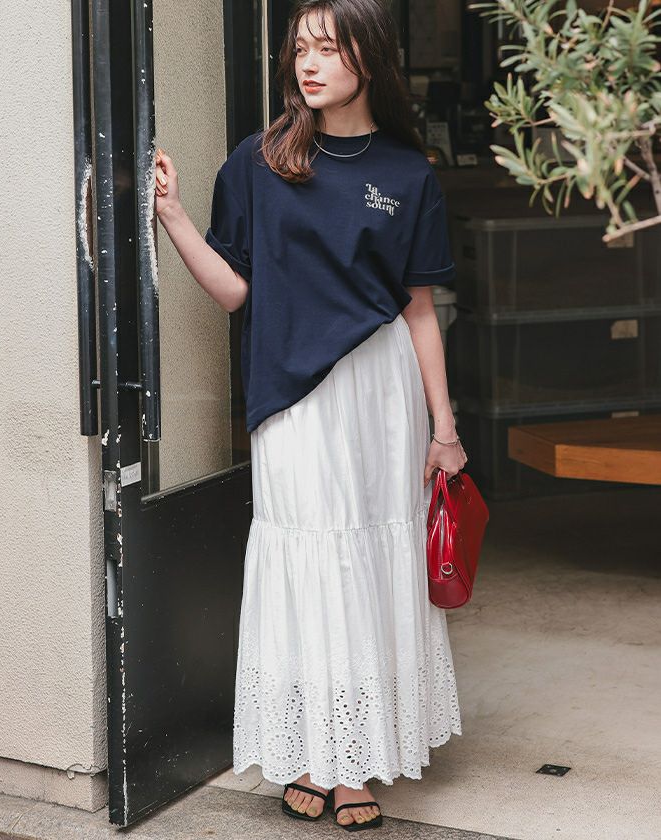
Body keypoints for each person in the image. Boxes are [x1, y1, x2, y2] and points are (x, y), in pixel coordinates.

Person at [154, 0, 467, 830]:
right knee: (305, 550)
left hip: (381, 391)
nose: (309, 62)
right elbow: (235, 291)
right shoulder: (258, 162)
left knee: (370, 555)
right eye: (301, 47)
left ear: (370, 57)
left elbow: (419, 309)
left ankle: (354, 759)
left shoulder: (408, 174)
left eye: (328, 47)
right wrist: (175, 217)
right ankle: (307, 753)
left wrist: (443, 428)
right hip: (290, 392)